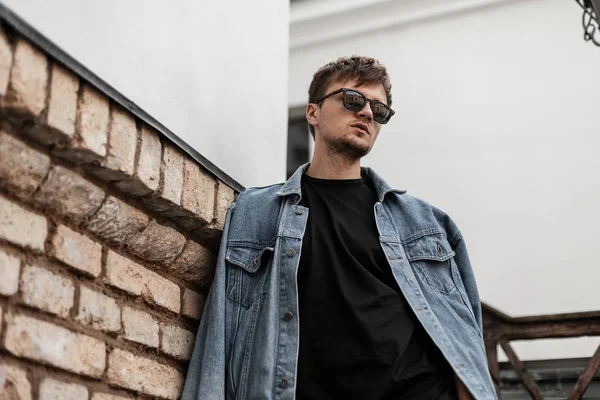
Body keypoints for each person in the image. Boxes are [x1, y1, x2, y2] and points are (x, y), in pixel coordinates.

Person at [182, 56, 497, 400]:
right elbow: (220, 330)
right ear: (313, 112)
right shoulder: (256, 213)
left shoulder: (428, 224)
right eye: (352, 100)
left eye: (378, 110)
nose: (366, 113)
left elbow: (465, 341)